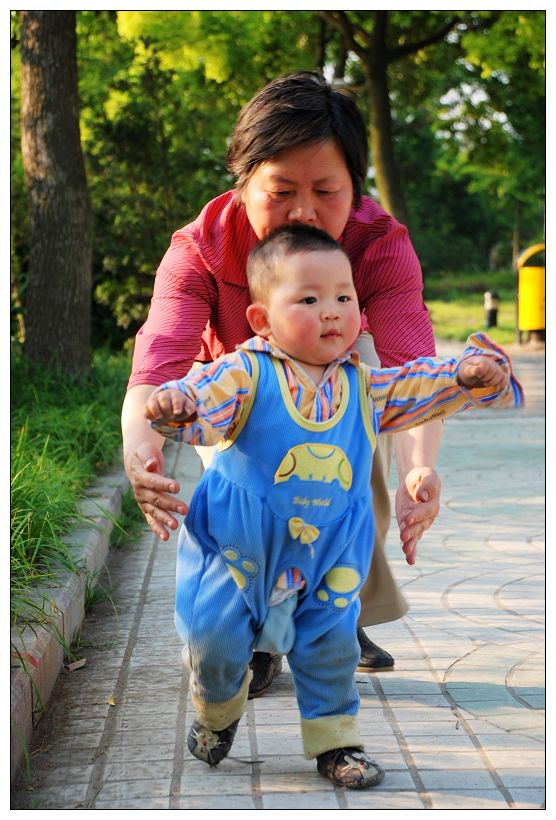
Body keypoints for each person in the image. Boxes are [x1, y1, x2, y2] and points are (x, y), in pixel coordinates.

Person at [144, 224, 523, 789]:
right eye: (310, 299)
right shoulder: (246, 372)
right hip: (241, 544)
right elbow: (205, 399)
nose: (332, 313)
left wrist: (462, 378)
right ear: (262, 321)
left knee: (331, 645)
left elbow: (411, 386)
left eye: (344, 297)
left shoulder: (362, 385)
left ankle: (335, 744)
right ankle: (217, 714)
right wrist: (178, 405)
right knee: (217, 642)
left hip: (327, 549)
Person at [123, 70, 443, 697]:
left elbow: (415, 376)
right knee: (258, 507)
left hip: (341, 372)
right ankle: (260, 637)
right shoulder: (199, 251)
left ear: (356, 186)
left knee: (351, 491)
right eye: (281, 190)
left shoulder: (379, 244)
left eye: (327, 191)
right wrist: (142, 453)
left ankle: (333, 614)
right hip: (230, 387)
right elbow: (155, 372)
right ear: (242, 181)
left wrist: (418, 469)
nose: (304, 212)